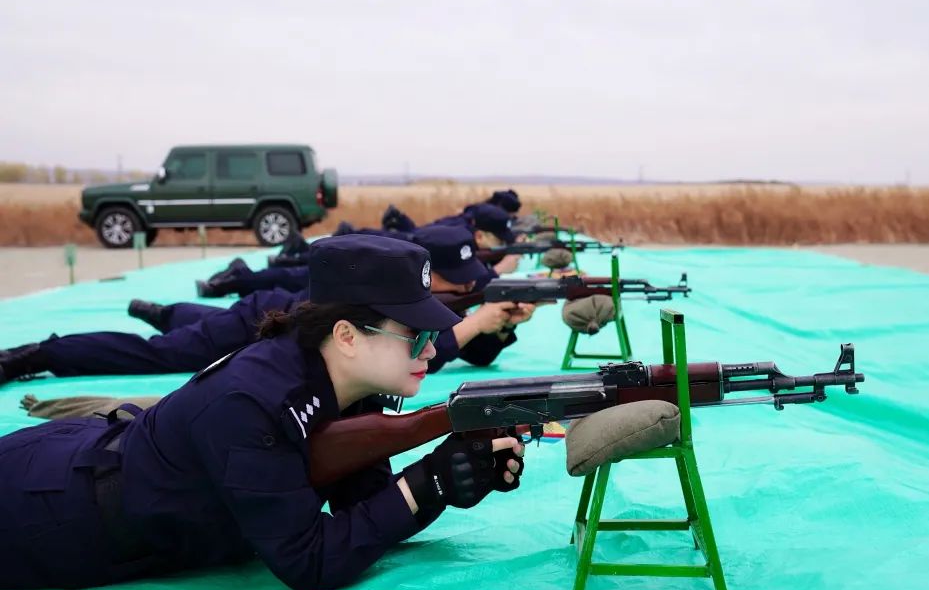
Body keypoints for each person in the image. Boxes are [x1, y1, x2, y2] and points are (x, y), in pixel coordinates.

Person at [0, 234, 526, 590]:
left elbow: (365, 508)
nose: (433, 352)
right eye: (417, 337)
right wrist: (426, 483)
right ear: (346, 336)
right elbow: (310, 560)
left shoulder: (343, 380)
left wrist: (452, 475)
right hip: (45, 511)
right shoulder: (253, 403)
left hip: (92, 466)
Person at [0, 227, 532, 382]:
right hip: (264, 321)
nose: (464, 287)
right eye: (453, 280)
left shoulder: (408, 292)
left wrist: (500, 327)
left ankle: (169, 313)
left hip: (268, 317)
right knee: (159, 354)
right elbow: (431, 353)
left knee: (186, 332)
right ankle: (42, 353)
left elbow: (466, 353)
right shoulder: (370, 290)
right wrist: (479, 319)